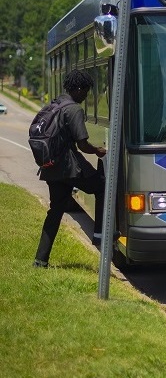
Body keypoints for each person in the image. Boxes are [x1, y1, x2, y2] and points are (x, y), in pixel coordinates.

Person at [33, 69, 107, 268]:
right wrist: (98, 150)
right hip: (69, 167)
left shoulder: (54, 105)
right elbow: (82, 144)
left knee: (55, 211)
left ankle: (40, 260)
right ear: (79, 88)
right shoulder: (73, 109)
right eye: (86, 92)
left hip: (51, 167)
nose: (86, 96)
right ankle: (101, 236)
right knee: (101, 187)